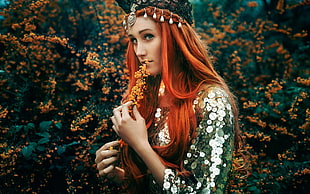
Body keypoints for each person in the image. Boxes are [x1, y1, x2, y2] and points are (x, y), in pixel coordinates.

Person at [95, 0, 246, 193]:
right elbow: (153, 183)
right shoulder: (147, 97)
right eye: (133, 40)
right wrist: (121, 177)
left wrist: (141, 144)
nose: (139, 51)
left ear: (176, 38)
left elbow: (204, 191)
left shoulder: (211, 100)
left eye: (148, 36)